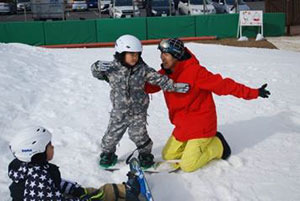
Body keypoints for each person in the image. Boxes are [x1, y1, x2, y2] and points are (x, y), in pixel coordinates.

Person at [145, 38, 271, 172]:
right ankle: (194, 147)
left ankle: (219, 145)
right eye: (161, 53)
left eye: (166, 54)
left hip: (201, 125)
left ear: (176, 56)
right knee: (168, 156)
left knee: (188, 165)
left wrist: (253, 92)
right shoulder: (165, 74)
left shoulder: (196, 72)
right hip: (183, 125)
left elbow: (224, 86)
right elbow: (149, 87)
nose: (162, 57)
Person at [91, 34, 189, 169]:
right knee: (111, 136)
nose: (134, 57)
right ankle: (107, 154)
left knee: (139, 136)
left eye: (137, 54)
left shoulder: (143, 70)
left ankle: (145, 156)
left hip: (138, 112)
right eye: (130, 54)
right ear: (121, 53)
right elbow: (97, 74)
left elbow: (159, 79)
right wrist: (95, 67)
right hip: (119, 111)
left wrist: (174, 86)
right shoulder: (112, 69)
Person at [8, 126, 146, 201]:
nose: (53, 147)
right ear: (37, 152)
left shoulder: (35, 168)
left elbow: (56, 183)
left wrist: (77, 191)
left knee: (92, 192)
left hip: (55, 196)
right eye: (49, 146)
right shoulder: (36, 181)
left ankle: (126, 191)